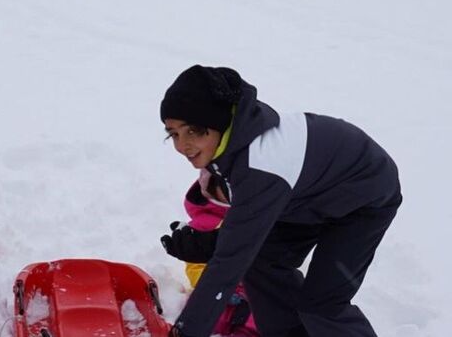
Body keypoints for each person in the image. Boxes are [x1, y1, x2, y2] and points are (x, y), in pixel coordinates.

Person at [159, 65, 402, 337]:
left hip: (364, 198)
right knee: (263, 261)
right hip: (311, 197)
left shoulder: (260, 164)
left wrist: (185, 332)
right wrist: (211, 245)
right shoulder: (232, 146)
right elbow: (244, 234)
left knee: (322, 304)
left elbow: (229, 265)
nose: (182, 145)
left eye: (192, 130)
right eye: (173, 133)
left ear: (218, 123)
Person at [163, 169, 259, 337]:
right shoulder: (203, 225)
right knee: (206, 312)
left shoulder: (254, 216)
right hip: (219, 293)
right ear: (210, 189)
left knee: (259, 313)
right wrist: (226, 289)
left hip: (252, 290)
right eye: (224, 187)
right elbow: (195, 267)